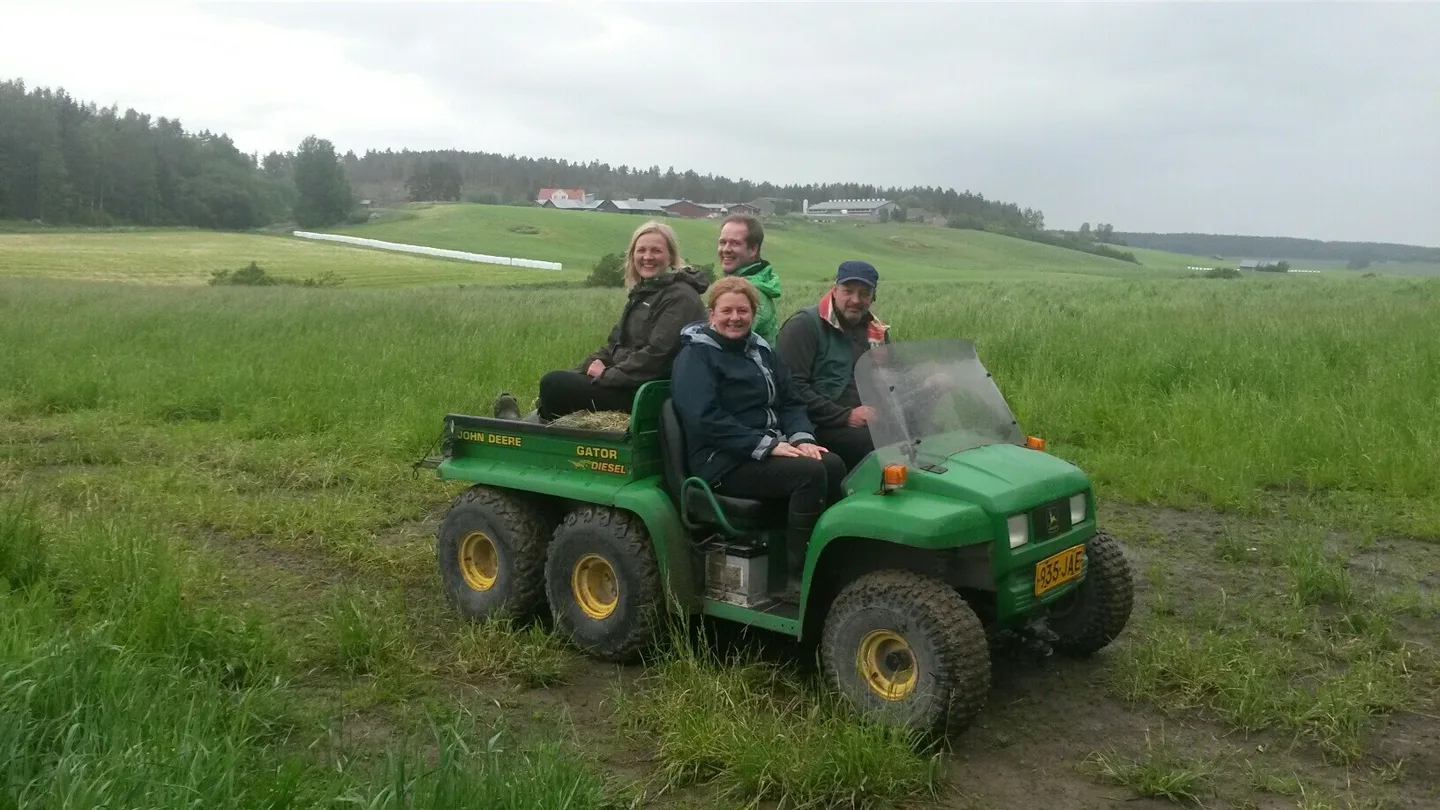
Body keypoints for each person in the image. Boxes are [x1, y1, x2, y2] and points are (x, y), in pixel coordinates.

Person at [671, 275, 847, 582]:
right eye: (726, 311)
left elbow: (791, 401)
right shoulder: (696, 355)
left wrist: (802, 438)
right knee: (809, 473)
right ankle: (801, 577)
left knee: (830, 463)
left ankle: (822, 556)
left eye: (743, 311)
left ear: (753, 314)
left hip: (763, 449)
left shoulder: (761, 351)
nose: (735, 318)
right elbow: (704, 418)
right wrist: (766, 446)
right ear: (711, 314)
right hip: (722, 459)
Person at [495, 220, 707, 422]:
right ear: (632, 255)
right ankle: (522, 422)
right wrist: (584, 368)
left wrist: (606, 375)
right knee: (562, 381)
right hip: (628, 382)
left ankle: (517, 425)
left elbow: (657, 356)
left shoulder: (680, 297)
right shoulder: (645, 293)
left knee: (553, 383)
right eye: (641, 250)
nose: (647, 257)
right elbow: (614, 345)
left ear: (671, 257)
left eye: (656, 250)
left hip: (646, 393)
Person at [775, 260, 891, 471]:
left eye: (864, 293)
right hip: (815, 424)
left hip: (867, 419)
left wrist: (928, 384)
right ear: (835, 290)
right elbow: (791, 387)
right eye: (848, 291)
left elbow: (890, 378)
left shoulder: (876, 332)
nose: (855, 300)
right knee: (870, 443)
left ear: (873, 297)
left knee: (923, 434)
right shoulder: (805, 325)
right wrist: (845, 416)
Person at [716, 213, 783, 346]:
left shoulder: (750, 293)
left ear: (753, 249)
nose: (726, 249)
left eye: (735, 243)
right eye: (723, 242)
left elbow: (727, 347)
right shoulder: (743, 285)